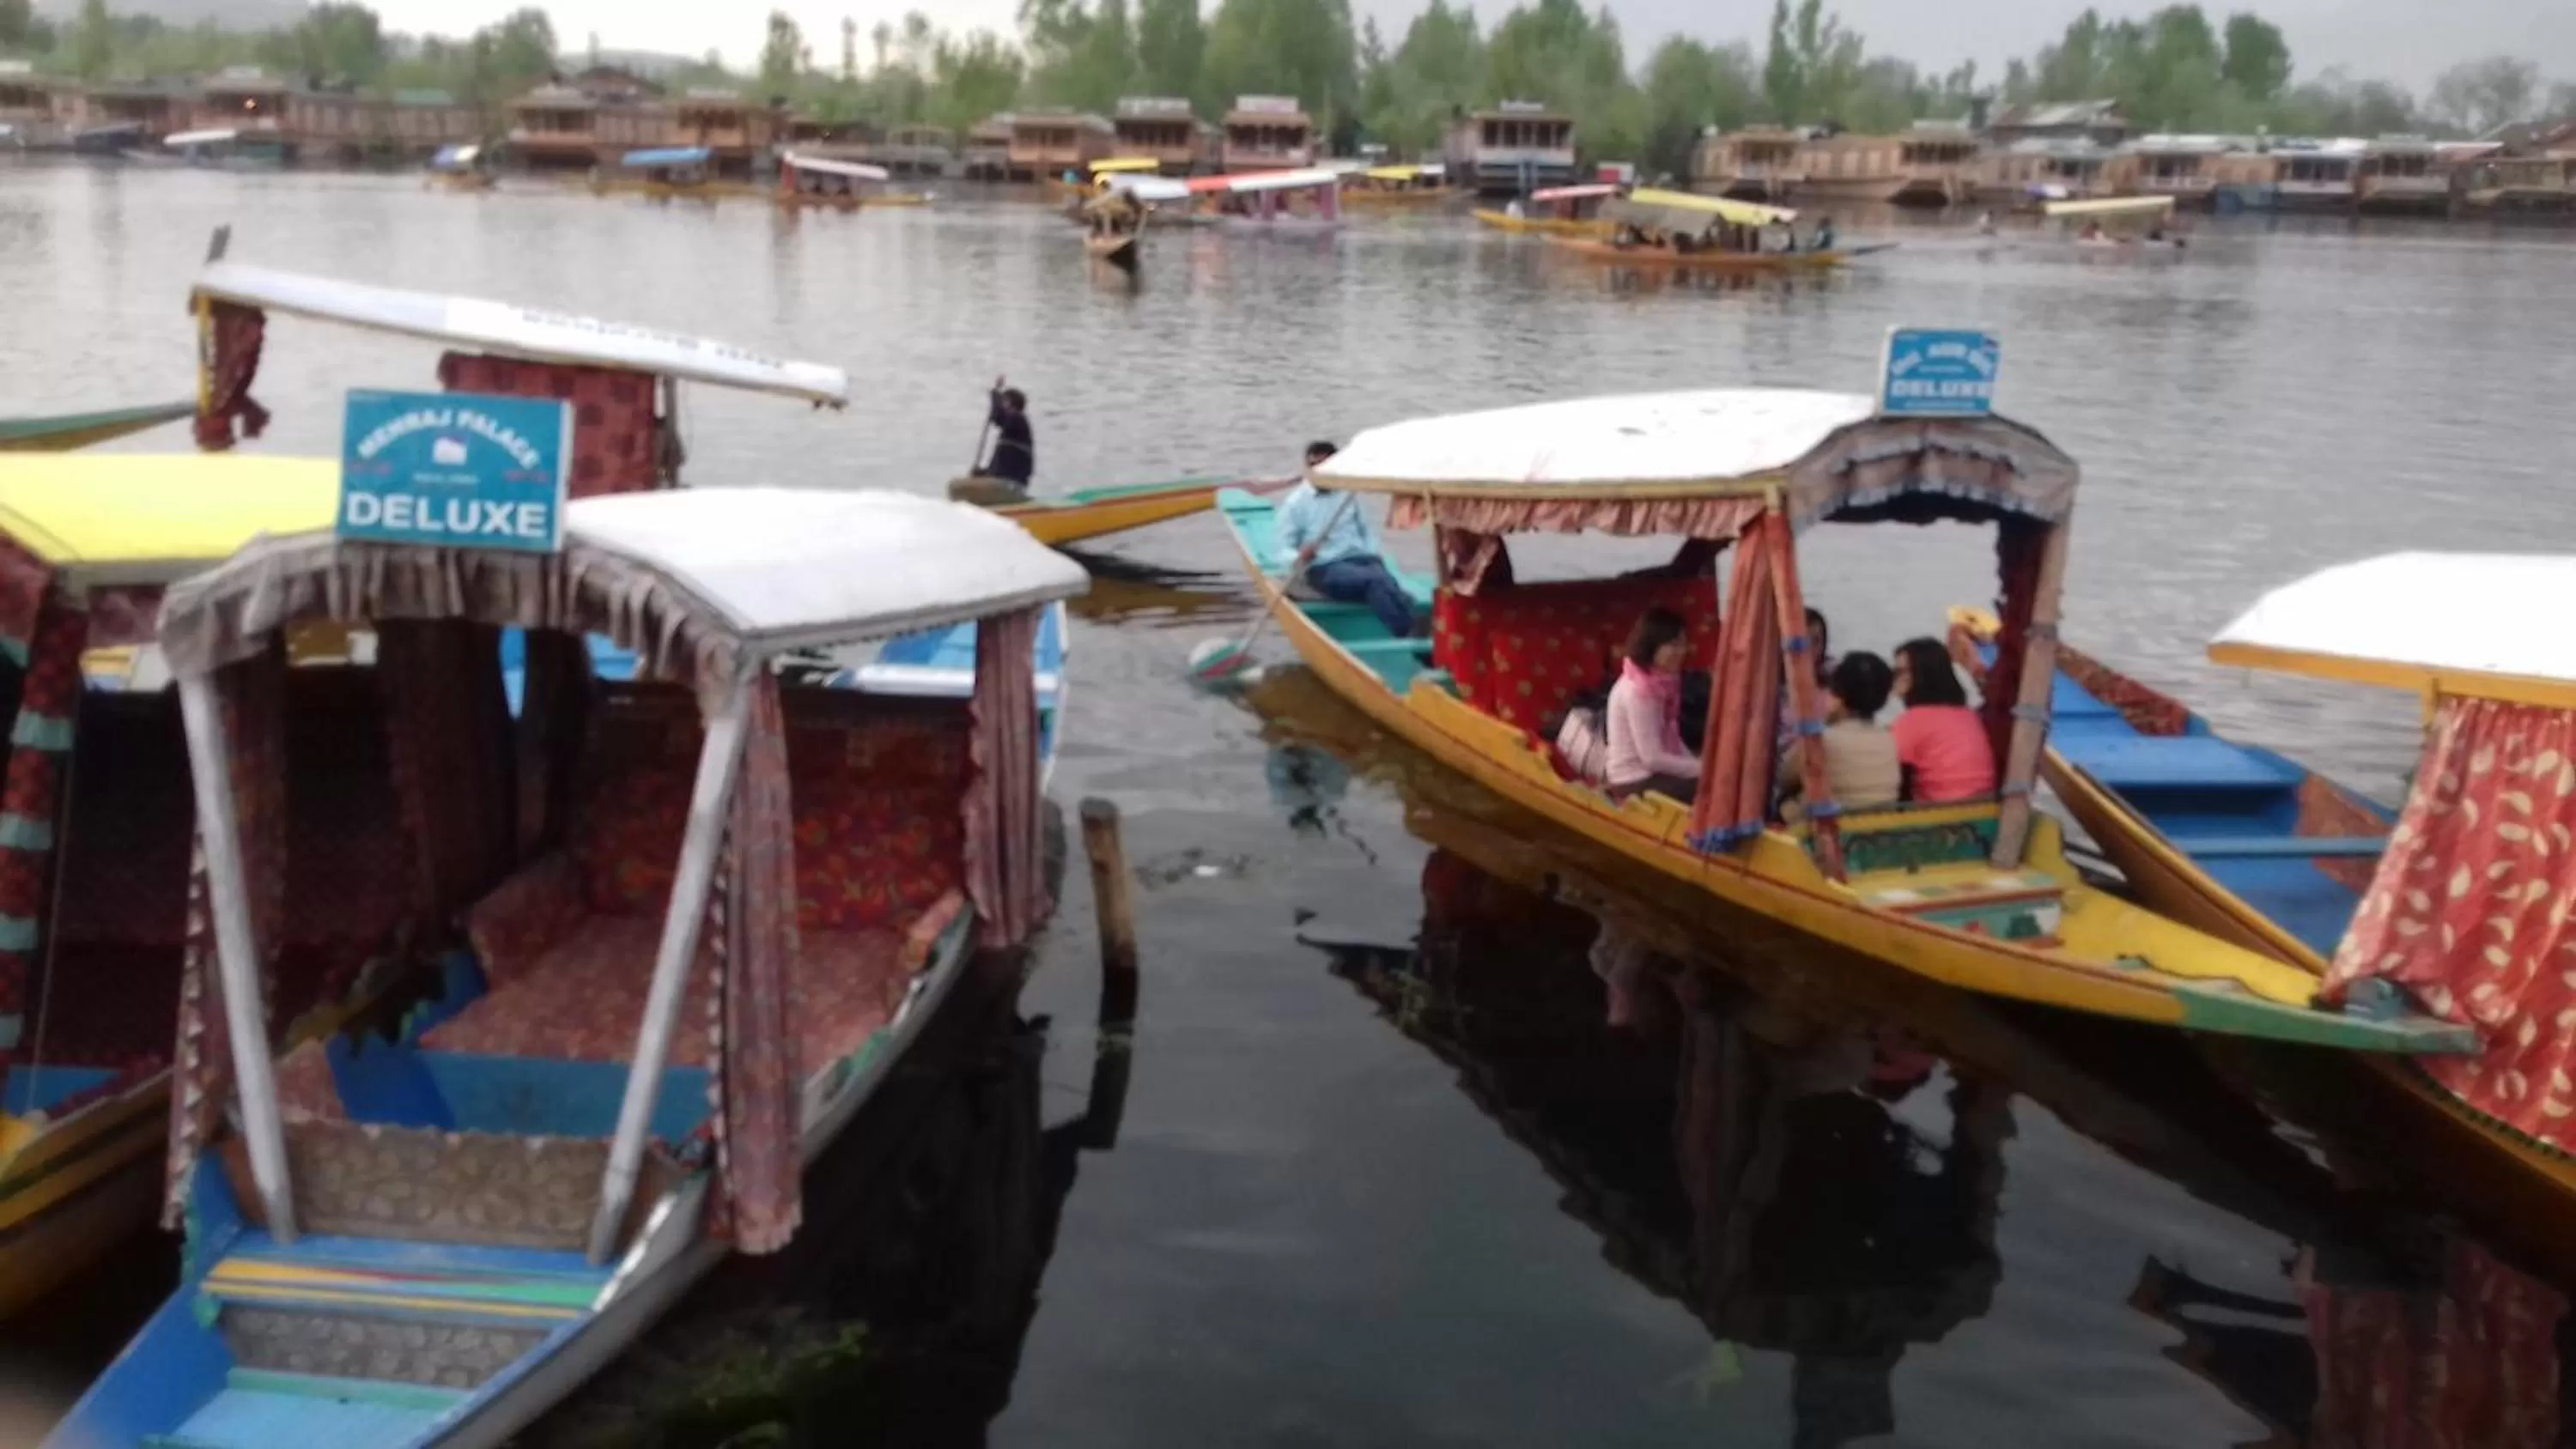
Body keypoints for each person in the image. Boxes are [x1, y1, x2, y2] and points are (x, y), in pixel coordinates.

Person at [1276, 441, 1418, 639]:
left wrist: (1374, 555)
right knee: (1374, 582)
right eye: (1314, 467)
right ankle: (1408, 633)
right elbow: (1282, 551)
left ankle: (1415, 626)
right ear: (1307, 468)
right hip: (1325, 567)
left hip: (1361, 559)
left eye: (1326, 467)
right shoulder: (1296, 503)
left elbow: (1366, 531)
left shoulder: (1349, 494)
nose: (1319, 473)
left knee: (1389, 583)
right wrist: (1300, 555)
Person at [1778, 651, 1902, 820]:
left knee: (1784, 804)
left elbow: (1784, 778)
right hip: (1874, 832)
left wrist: (1825, 724)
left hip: (1829, 833)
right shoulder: (1889, 738)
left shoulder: (1822, 740)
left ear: (1838, 699)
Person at [1605, 608, 1702, 804]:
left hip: (1651, 773)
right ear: (1652, 646)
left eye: (1683, 645)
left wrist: (1696, 763)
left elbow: (1670, 735)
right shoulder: (1639, 691)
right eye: (1673, 646)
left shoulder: (1660, 682)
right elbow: (1652, 758)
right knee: (1714, 786)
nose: (1681, 652)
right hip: (1634, 780)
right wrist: (1701, 768)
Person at [1889, 637, 1997, 803]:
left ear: (1921, 674)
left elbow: (1888, 767)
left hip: (1940, 813)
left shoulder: (1913, 720)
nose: (1893, 678)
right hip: (1982, 809)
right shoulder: (1968, 715)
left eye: (1899, 672)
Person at [983, 383, 1034, 494]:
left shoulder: (1018, 419)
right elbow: (1000, 463)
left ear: (1011, 403)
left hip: (1012, 481)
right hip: (1002, 479)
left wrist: (995, 395)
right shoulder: (1009, 429)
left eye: (1003, 402)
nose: (1001, 405)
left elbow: (997, 417)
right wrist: (985, 472)